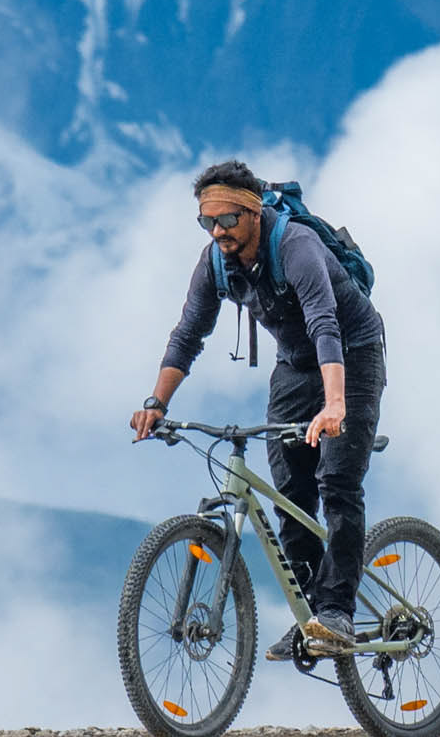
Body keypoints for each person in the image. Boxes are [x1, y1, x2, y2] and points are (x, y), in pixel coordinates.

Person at [130, 158, 386, 660]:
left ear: (251, 213)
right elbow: (188, 335)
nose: (218, 230)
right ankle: (316, 617)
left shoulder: (295, 246)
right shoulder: (215, 262)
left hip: (351, 357)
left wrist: (336, 403)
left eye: (227, 219)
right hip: (294, 366)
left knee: (336, 480)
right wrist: (157, 403)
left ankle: (337, 611)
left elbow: (325, 324)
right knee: (289, 494)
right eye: (208, 222)